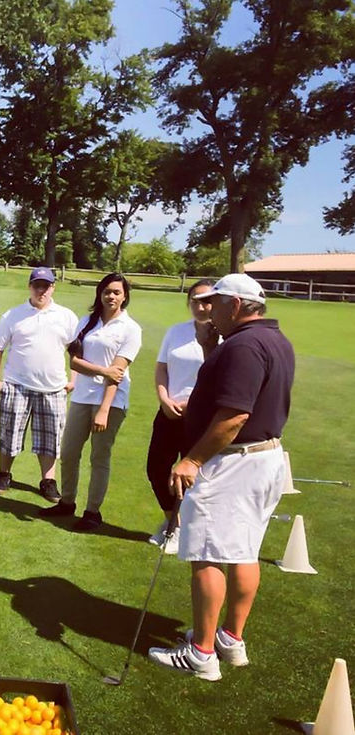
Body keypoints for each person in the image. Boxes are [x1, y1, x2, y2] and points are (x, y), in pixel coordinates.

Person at [149, 274, 294, 682]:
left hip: (233, 463)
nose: (208, 309)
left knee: (207, 553)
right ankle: (230, 638)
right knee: (244, 549)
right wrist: (212, 347)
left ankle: (201, 654)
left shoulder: (245, 346)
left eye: (216, 303)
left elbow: (234, 415)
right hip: (264, 459)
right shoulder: (271, 340)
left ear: (236, 304)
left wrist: (191, 460)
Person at [39, 273, 141, 531]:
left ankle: (92, 512)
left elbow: (116, 374)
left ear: (125, 296)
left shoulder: (131, 329)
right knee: (70, 451)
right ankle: (67, 502)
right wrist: (102, 370)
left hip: (111, 402)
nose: (111, 296)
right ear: (100, 293)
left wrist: (104, 410)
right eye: (107, 291)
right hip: (83, 397)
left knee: (99, 456)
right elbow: (74, 361)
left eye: (117, 292)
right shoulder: (87, 322)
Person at [0, 267, 78, 499]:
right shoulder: (13, 315)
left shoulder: (66, 316)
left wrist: (73, 379)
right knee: (9, 433)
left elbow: (75, 351)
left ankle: (48, 481)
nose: (41, 290)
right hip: (17, 385)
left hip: (53, 387)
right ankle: (3, 474)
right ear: (30, 286)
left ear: (53, 287)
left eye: (46, 286)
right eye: (37, 285)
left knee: (51, 438)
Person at [145, 279, 218, 554]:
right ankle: (171, 522)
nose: (201, 306)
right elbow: (162, 368)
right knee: (156, 468)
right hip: (168, 411)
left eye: (207, 300)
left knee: (190, 476)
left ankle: (183, 529)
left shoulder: (223, 337)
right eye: (196, 300)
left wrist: (194, 404)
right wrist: (163, 398)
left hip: (201, 417)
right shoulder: (176, 332)